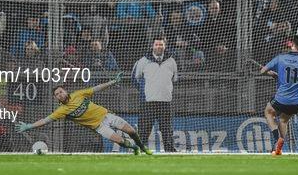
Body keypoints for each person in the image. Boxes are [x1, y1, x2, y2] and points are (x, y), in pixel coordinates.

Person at [15, 73, 152, 155]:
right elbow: (45, 120)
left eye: (61, 91)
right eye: (57, 94)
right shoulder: (61, 111)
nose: (60, 94)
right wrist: (29, 126)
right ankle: (134, 148)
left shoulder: (78, 94)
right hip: (99, 127)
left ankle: (142, 147)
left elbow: (97, 88)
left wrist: (113, 81)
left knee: (132, 131)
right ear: (56, 98)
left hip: (107, 116)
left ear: (65, 91)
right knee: (122, 142)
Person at [133, 36, 178, 153]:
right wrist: (145, 92)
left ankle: (170, 151)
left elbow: (174, 78)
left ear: (165, 46)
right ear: (152, 46)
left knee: (167, 130)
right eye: (157, 44)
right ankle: (139, 150)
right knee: (143, 130)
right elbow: (135, 78)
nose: (159, 47)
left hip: (166, 102)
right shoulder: (143, 61)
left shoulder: (172, 61)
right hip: (148, 102)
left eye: (161, 44)